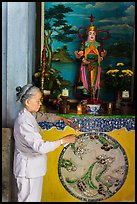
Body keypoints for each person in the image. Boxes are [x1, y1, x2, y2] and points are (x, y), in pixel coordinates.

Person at [13, 84, 76, 202]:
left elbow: (43, 116)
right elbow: (41, 147)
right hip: (28, 170)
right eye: (37, 101)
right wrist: (64, 140)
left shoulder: (28, 115)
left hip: (33, 168)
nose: (40, 104)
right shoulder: (24, 123)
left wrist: (61, 119)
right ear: (27, 102)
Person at [74, 20, 107, 101]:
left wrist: (102, 56)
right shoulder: (84, 44)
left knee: (94, 81)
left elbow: (100, 54)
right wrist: (83, 59)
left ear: (95, 34)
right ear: (87, 34)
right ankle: (85, 97)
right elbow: (80, 53)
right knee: (86, 81)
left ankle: (93, 97)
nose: (92, 35)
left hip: (95, 64)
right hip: (86, 64)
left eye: (93, 33)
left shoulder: (98, 44)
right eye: (90, 33)